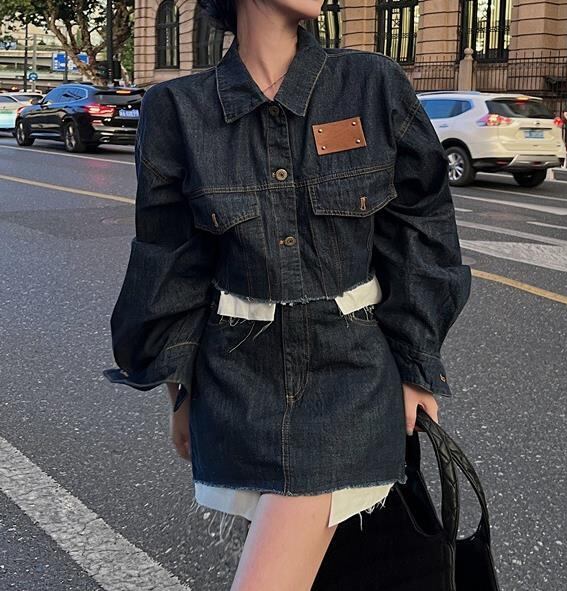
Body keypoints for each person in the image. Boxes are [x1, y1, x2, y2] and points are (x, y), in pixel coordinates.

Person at [102, 2, 471, 589]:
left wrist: (417, 366)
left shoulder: (370, 85)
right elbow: (170, 264)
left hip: (350, 380)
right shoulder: (177, 108)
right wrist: (179, 393)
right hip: (234, 384)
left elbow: (421, 232)